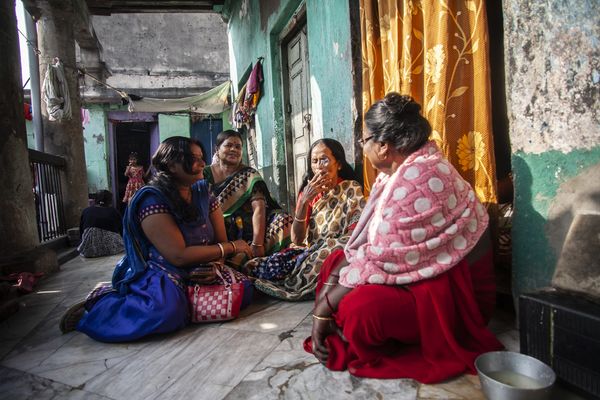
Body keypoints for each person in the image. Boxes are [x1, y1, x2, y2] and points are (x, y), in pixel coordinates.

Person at [304, 93, 503, 383]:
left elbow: (379, 258)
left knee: (358, 312)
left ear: (383, 146)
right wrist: (331, 288)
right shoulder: (398, 171)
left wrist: (324, 309)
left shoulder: (418, 179)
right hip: (420, 272)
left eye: (364, 142)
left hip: (452, 293)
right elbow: (364, 243)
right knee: (333, 264)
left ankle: (364, 330)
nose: (362, 150)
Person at [59, 136, 253, 342]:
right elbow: (178, 256)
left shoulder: (203, 191)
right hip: (164, 269)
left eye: (201, 158)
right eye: (193, 159)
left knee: (244, 291)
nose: (201, 164)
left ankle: (187, 304)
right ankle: (101, 306)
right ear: (171, 165)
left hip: (202, 266)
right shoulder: (152, 198)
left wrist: (215, 265)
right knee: (166, 311)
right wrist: (232, 246)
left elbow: (219, 243)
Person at [246, 138, 366, 301]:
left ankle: (307, 278)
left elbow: (356, 232)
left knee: (336, 250)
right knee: (255, 265)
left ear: (338, 164)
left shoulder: (351, 188)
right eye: (314, 161)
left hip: (338, 248)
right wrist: (303, 202)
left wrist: (332, 244)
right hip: (311, 251)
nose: (319, 166)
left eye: (324, 160)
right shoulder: (308, 195)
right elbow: (297, 239)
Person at [204, 130, 292, 262]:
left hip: (249, 230)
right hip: (218, 229)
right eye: (228, 145)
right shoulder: (205, 174)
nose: (233, 149)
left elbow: (259, 208)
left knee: (284, 220)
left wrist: (257, 244)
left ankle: (252, 252)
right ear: (217, 149)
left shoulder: (249, 175)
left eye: (238, 146)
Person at [77, 190, 124, 257]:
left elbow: (81, 230)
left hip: (89, 250)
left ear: (95, 200)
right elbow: (122, 230)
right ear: (110, 200)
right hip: (111, 249)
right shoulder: (113, 211)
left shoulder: (86, 211)